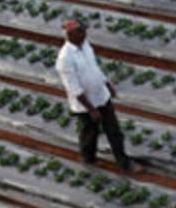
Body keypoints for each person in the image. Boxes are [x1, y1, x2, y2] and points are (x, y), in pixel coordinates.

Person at [55, 18, 135, 173]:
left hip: (101, 96)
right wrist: (91, 109)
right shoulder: (65, 58)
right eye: (81, 31)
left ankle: (124, 162)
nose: (85, 33)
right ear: (70, 35)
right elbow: (73, 87)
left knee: (114, 131)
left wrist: (107, 84)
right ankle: (88, 160)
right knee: (89, 134)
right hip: (85, 104)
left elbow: (95, 68)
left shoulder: (85, 45)